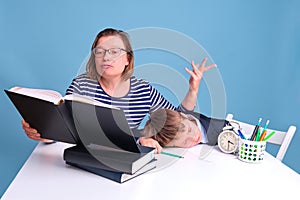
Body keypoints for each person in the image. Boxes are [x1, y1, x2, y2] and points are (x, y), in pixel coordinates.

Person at [22, 28, 216, 144]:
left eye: (114, 51)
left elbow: (176, 119)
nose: (106, 57)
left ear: (127, 59)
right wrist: (44, 134)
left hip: (124, 158)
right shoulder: (81, 85)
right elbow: (64, 129)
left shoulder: (143, 90)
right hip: (82, 158)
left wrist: (193, 90)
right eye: (99, 52)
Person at [140, 108, 229, 153]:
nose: (193, 138)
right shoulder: (163, 137)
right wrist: (144, 139)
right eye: (185, 142)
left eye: (190, 130)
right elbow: (134, 135)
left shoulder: (221, 127)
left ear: (185, 116)